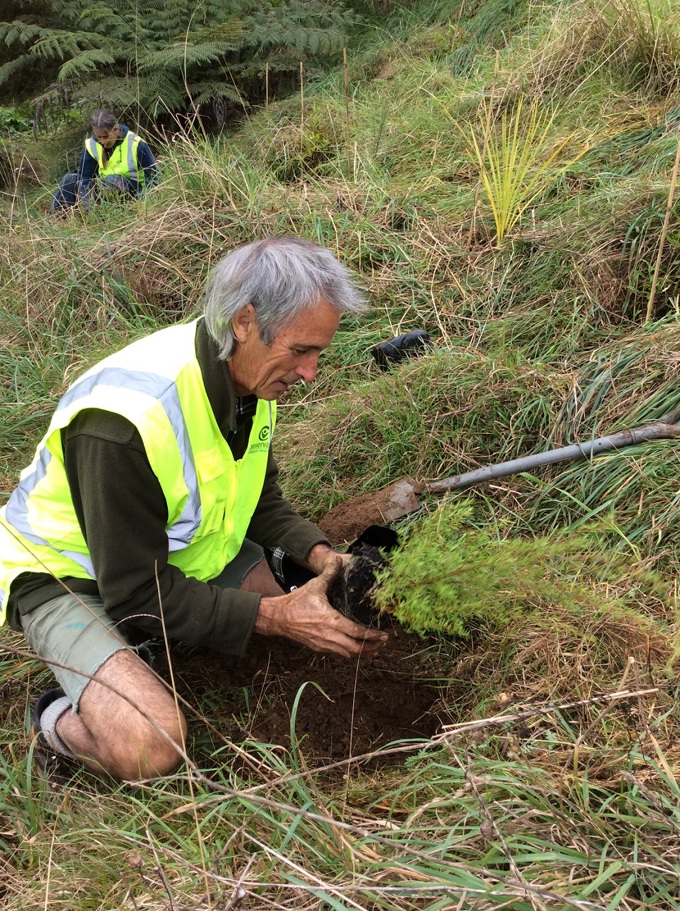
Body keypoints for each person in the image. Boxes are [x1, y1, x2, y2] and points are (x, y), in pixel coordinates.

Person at [0, 236, 388, 782]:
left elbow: (260, 499)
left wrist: (321, 554)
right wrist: (272, 617)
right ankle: (55, 721)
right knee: (151, 748)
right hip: (68, 572)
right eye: (301, 350)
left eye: (319, 352)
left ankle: (151, 651)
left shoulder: (249, 379)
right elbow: (134, 592)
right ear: (245, 320)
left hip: (177, 549)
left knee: (296, 614)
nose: (311, 373)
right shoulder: (125, 424)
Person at [52, 109, 159, 213]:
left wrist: (142, 200)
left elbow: (154, 177)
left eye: (106, 136)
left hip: (131, 191)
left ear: (116, 129)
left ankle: (110, 214)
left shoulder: (136, 143)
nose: (103, 141)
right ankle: (59, 216)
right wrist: (87, 205)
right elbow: (85, 178)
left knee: (111, 180)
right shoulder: (92, 145)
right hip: (103, 188)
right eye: (99, 137)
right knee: (69, 179)